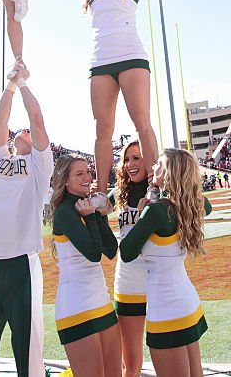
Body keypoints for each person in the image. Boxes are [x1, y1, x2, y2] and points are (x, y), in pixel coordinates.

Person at [58, 0, 188, 197]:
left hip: (131, 56)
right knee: (102, 130)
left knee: (142, 122)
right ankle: (102, 193)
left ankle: (156, 187)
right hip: (100, 60)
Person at [0, 64, 54, 377]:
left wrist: (23, 84)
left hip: (22, 266)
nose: (24, 131)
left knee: (27, 358)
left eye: (28, 133)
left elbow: (38, 118)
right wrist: (9, 86)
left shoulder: (39, 166)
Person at [120, 150, 210, 377]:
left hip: (166, 307)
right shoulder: (189, 204)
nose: (154, 167)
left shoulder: (156, 210)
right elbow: (205, 205)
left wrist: (141, 215)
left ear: (170, 172)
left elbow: (126, 251)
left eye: (159, 164)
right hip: (187, 301)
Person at [50, 156, 121, 376]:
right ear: (65, 180)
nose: (87, 177)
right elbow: (92, 254)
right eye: (79, 174)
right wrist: (91, 217)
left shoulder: (86, 205)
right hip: (76, 305)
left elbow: (110, 250)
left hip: (101, 299)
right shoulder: (64, 212)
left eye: (87, 172)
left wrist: (99, 216)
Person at [109, 142, 151, 377]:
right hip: (127, 283)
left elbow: (202, 206)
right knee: (131, 365)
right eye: (127, 160)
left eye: (136, 158)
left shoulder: (160, 189)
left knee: (166, 357)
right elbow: (97, 206)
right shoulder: (119, 192)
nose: (131, 165)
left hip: (158, 282)